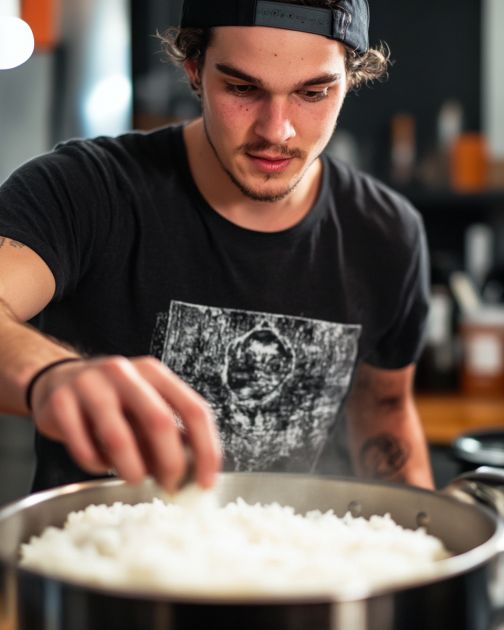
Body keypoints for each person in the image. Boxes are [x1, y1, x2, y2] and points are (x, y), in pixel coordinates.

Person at [0, 0, 434, 494]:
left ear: (351, 78)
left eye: (313, 92)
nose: (277, 130)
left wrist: (437, 541)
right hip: (95, 564)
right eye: (242, 88)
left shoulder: (387, 234)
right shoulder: (85, 190)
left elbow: (386, 415)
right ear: (194, 67)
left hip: (295, 565)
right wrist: (52, 375)